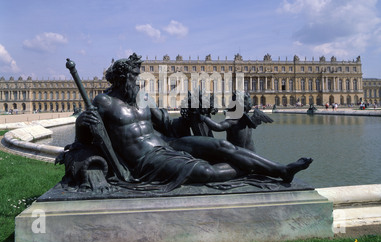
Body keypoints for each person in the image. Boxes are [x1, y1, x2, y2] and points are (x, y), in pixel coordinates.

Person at [76, 54, 312, 191]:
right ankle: (250, 169)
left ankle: (281, 170)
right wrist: (81, 123)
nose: (137, 81)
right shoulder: (104, 102)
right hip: (145, 159)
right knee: (204, 170)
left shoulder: (142, 98)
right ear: (120, 78)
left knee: (223, 147)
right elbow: (87, 138)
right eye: (133, 77)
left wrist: (189, 116)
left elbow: (170, 126)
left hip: (167, 144)